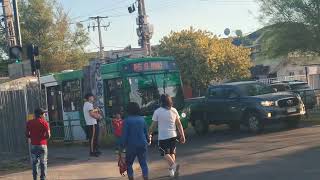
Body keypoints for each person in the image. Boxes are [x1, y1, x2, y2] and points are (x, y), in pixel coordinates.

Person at [149, 94, 186, 178]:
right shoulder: (174, 110)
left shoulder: (157, 112)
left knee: (165, 153)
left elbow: (153, 126)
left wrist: (149, 134)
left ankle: (174, 165)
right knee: (172, 152)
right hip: (173, 135)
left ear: (161, 102)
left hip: (163, 137)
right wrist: (182, 135)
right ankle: (171, 172)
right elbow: (179, 124)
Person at [121, 102, 150, 180]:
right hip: (142, 144)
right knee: (143, 163)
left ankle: (131, 178)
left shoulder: (126, 121)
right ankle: (146, 177)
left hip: (131, 146)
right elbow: (146, 132)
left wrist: (121, 147)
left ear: (128, 110)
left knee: (129, 163)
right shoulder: (142, 119)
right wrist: (148, 140)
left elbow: (124, 135)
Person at [26, 108, 51, 180]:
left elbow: (27, 134)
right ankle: (43, 178)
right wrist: (42, 137)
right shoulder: (45, 123)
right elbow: (48, 136)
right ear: (41, 115)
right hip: (42, 145)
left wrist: (33, 137)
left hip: (33, 145)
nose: (44, 115)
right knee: (43, 162)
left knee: (34, 163)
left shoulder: (29, 122)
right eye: (44, 113)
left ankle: (34, 178)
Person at [83, 93, 102, 157]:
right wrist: (98, 117)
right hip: (92, 123)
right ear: (89, 98)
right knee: (93, 138)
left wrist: (97, 111)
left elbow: (92, 112)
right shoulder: (88, 104)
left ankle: (96, 150)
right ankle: (92, 152)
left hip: (92, 123)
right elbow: (91, 114)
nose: (93, 98)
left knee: (95, 137)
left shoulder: (88, 104)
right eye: (92, 97)